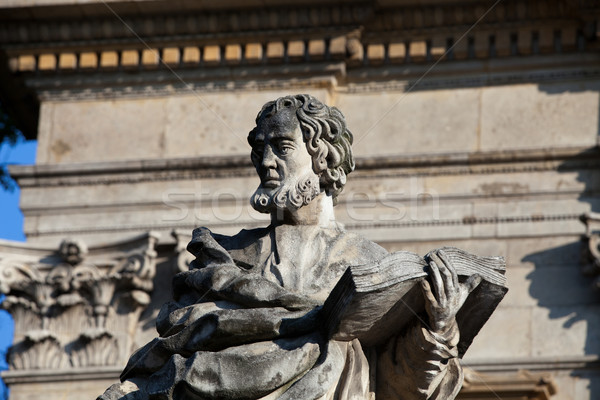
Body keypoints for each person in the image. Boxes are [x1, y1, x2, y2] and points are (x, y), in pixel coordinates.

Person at [100, 94, 481, 400]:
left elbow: (400, 388)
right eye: (259, 150)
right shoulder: (226, 258)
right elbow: (173, 360)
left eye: (282, 148)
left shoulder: (371, 265)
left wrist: (439, 328)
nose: (265, 163)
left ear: (323, 158)